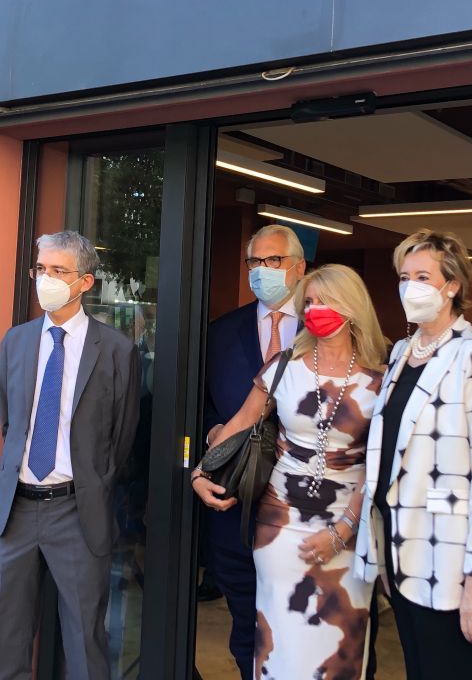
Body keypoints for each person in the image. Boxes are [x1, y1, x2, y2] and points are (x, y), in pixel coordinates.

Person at [193, 264, 386, 678]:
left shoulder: (379, 378)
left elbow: (378, 463)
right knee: (280, 647)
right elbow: (240, 424)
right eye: (309, 302)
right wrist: (200, 472)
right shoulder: (283, 366)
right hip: (279, 529)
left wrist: (344, 529)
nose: (314, 310)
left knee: (340, 652)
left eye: (325, 302)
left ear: (351, 307)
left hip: (348, 533)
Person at [355, 228, 472, 680]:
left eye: (423, 277)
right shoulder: (402, 353)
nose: (411, 287)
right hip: (400, 551)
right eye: (404, 277)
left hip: (452, 561)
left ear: (452, 286)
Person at [0, 231, 140, 680]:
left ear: (85, 282)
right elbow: (10, 424)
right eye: (41, 269)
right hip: (17, 510)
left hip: (77, 511)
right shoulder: (15, 342)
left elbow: (121, 437)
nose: (46, 279)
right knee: (10, 638)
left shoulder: (117, 350)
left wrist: (92, 484)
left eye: (59, 271)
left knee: (84, 639)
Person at [199, 224, 306, 680]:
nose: (263, 270)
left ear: (299, 267)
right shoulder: (221, 332)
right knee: (247, 629)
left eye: (274, 260)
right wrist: (214, 433)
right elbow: (201, 405)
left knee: (304, 629)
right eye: (255, 262)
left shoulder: (327, 328)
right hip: (236, 505)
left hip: (306, 511)